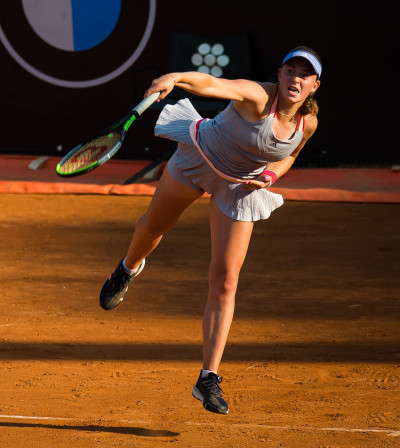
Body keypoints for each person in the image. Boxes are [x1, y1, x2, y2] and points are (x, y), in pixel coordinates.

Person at [98, 46, 322, 415]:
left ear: (314, 85)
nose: (295, 79)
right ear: (279, 76)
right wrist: (175, 78)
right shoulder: (257, 96)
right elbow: (214, 84)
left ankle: (208, 378)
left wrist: (270, 175)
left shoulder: (307, 123)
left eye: (304, 74)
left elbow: (289, 154)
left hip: (239, 185)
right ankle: (127, 268)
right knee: (154, 226)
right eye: (289, 71)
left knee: (226, 280)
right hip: (199, 157)